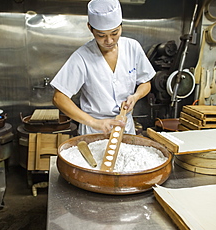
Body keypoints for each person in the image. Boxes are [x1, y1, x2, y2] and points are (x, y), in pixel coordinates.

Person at [50, 0, 155, 135]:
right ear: (90, 28)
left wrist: (135, 97)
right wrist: (94, 122)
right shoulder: (82, 57)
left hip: (125, 127)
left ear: (121, 26)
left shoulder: (132, 47)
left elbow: (145, 82)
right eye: (101, 35)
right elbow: (59, 98)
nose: (109, 41)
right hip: (94, 130)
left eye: (114, 33)